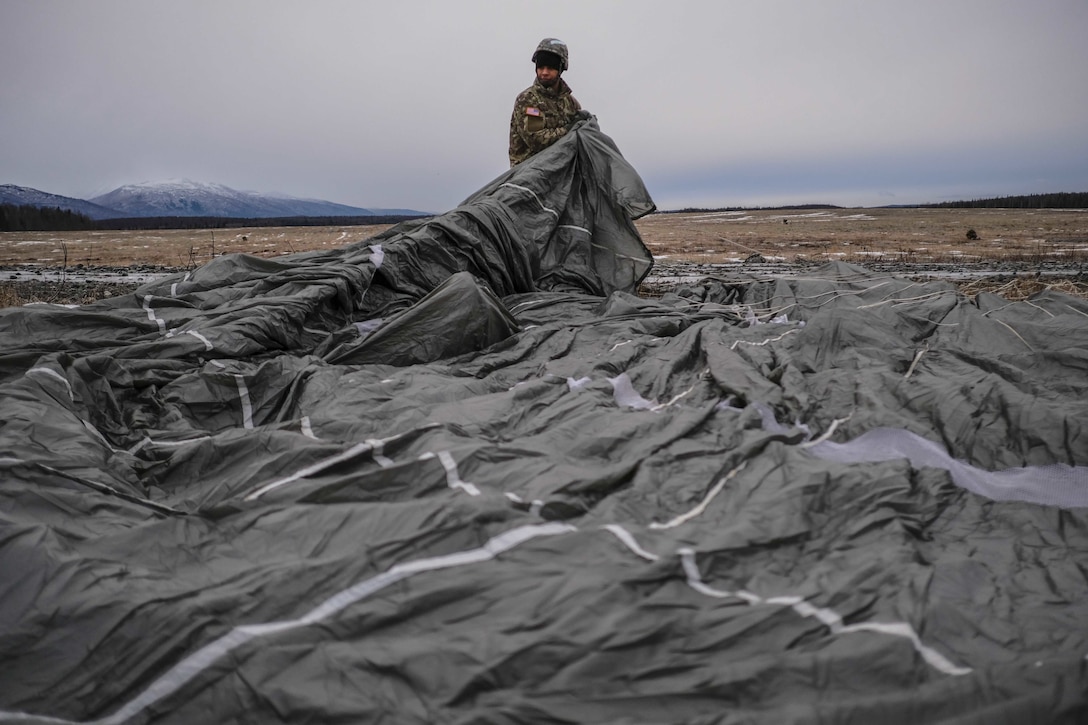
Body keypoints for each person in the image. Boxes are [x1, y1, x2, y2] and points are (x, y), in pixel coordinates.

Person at [508, 38, 588, 167]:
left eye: (550, 68)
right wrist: (569, 130)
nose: (544, 72)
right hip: (529, 173)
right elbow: (537, 140)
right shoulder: (528, 100)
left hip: (562, 170)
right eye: (541, 67)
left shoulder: (571, 103)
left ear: (561, 69)